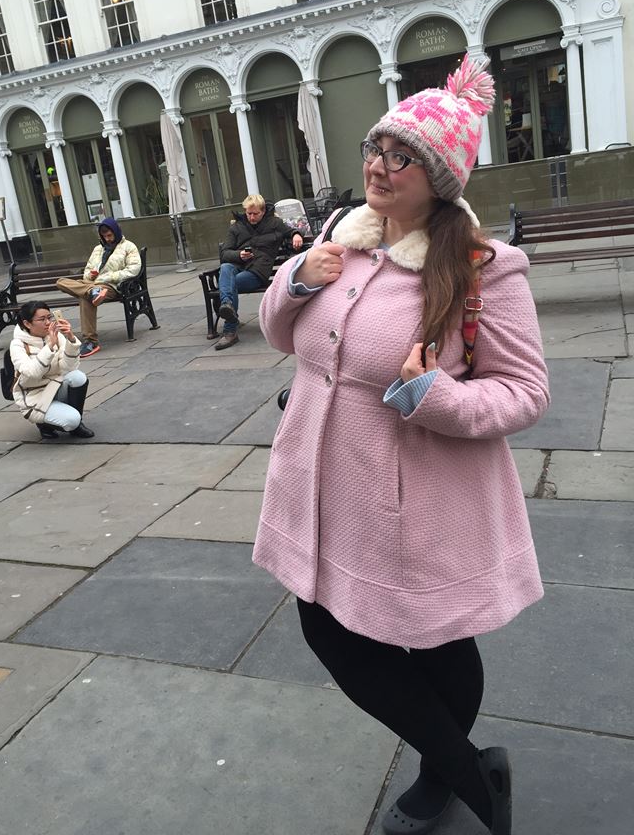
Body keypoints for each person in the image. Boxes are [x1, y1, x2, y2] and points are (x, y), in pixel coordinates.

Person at [253, 56, 550, 835]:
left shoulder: (483, 269)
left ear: (440, 177)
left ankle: (443, 776)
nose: (379, 166)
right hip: (319, 480)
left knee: (437, 641)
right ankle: (470, 771)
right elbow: (283, 337)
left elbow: (526, 392)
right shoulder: (339, 238)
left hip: (417, 497)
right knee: (328, 627)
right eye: (377, 148)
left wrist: (434, 395)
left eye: (403, 156)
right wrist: (297, 278)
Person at [215, 193, 304, 351]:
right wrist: (239, 255)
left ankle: (230, 328)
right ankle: (227, 307)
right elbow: (225, 254)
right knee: (226, 267)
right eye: (248, 213)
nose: (251, 217)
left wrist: (296, 235)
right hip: (238, 266)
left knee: (229, 284)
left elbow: (290, 231)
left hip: (257, 271)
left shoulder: (274, 223)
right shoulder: (236, 227)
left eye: (255, 213)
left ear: (263, 211)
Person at [55, 218, 141, 358]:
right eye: (104, 236)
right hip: (92, 285)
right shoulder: (97, 249)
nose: (107, 239)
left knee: (85, 298)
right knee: (60, 282)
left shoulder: (129, 247)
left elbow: (133, 270)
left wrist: (108, 277)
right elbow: (86, 273)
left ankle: (91, 342)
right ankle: (92, 292)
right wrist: (91, 274)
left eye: (110, 235)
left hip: (111, 286)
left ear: (116, 232)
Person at [10, 300, 94, 440]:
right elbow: (33, 373)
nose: (48, 322)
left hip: (55, 386)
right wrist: (49, 347)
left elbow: (69, 368)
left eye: (49, 317)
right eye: (42, 319)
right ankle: (44, 424)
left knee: (78, 377)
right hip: (34, 395)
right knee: (71, 420)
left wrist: (71, 339)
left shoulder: (55, 335)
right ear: (27, 324)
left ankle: (77, 425)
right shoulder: (17, 345)